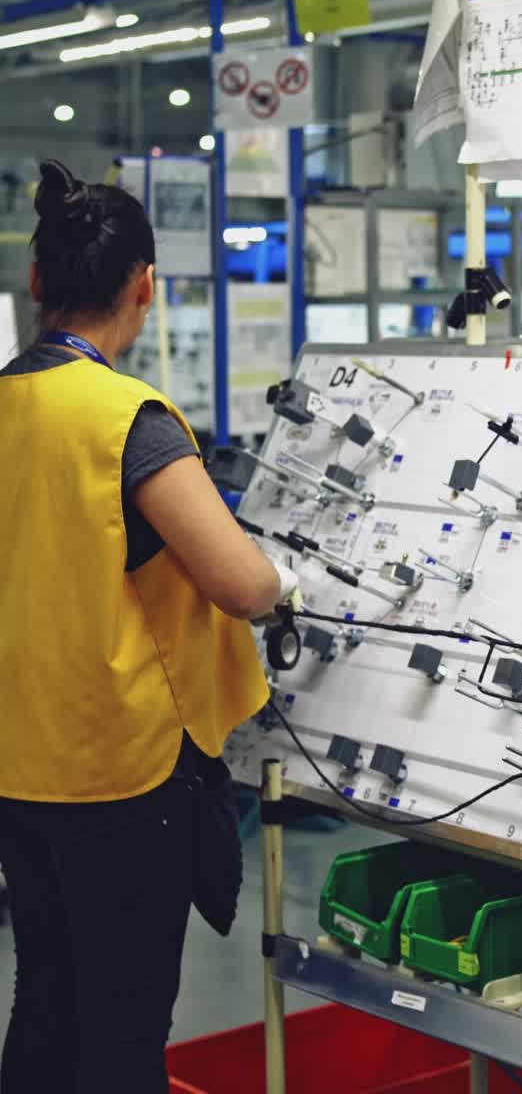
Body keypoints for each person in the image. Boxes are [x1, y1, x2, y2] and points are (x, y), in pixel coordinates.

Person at [0, 161, 298, 1093]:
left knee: (45, 998)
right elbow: (241, 584)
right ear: (146, 287)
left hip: (19, 766)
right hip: (121, 775)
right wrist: (290, 573)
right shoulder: (129, 418)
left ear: (37, 281)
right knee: (125, 1031)